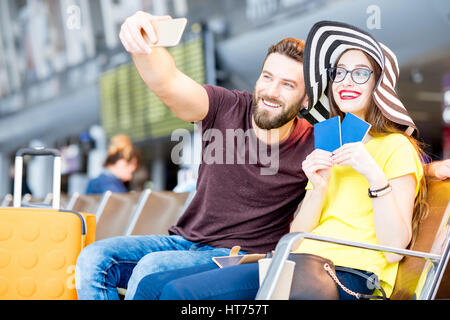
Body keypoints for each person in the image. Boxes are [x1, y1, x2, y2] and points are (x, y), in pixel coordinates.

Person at [76, 12, 449, 300]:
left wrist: (408, 173)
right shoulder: (325, 142)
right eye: (340, 73)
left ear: (305, 100)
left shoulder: (345, 143)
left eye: (288, 84)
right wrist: (144, 45)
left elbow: (396, 191)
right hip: (286, 256)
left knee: (165, 284)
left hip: (311, 265)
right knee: (108, 264)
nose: (271, 91)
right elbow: (169, 85)